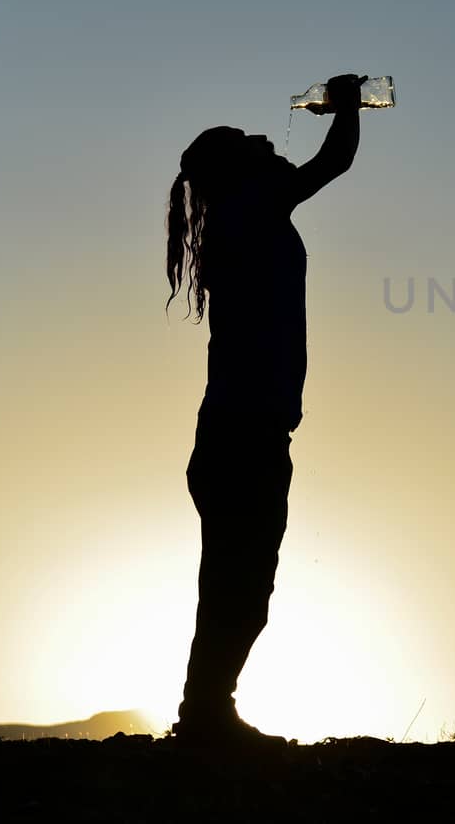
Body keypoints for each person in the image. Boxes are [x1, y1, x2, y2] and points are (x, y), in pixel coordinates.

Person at [163, 74, 364, 745]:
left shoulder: (242, 215)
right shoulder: (252, 209)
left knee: (240, 585)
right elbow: (332, 162)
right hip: (243, 435)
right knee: (238, 586)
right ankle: (204, 718)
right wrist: (348, 103)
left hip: (241, 433)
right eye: (256, 146)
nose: (270, 147)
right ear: (237, 171)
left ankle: (207, 713)